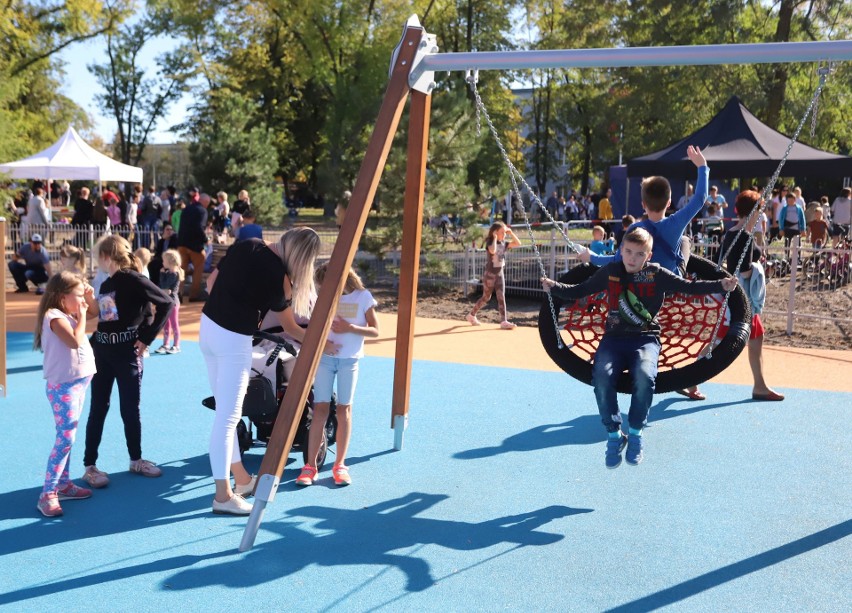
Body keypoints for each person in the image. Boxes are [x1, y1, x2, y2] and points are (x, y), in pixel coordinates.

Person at [542, 228, 737, 468]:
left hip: (645, 339)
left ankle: (635, 433)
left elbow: (689, 287)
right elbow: (581, 290)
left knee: (645, 377)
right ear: (621, 251)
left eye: (639, 254)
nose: (632, 258)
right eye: (628, 252)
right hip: (613, 339)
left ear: (649, 255)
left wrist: (721, 285)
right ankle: (614, 435)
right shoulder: (611, 272)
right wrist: (554, 287)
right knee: (601, 377)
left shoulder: (656, 274)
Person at [200, 228, 339, 515]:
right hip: (234, 339)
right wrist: (319, 341)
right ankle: (222, 496)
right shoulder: (281, 280)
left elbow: (212, 283)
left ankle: (240, 479)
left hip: (207, 329)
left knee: (225, 416)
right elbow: (291, 328)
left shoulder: (248, 244)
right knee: (228, 419)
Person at [81, 235, 174, 489]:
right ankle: (90, 465)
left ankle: (135, 459)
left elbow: (166, 303)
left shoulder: (134, 279)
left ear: (106, 256)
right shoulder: (106, 284)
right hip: (103, 353)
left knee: (130, 408)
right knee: (98, 407)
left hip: (126, 355)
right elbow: (106, 318)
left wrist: (146, 338)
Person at [297, 264, 379, 487]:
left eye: (327, 283)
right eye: (322, 285)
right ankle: (310, 466)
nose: (325, 288)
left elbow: (375, 330)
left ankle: (340, 465)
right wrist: (323, 344)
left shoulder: (363, 297)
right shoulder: (323, 298)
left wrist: (350, 328)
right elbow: (313, 328)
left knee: (344, 409)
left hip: (349, 361)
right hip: (324, 360)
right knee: (320, 409)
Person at [33, 271, 98, 517]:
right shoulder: (54, 317)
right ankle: (47, 493)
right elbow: (74, 341)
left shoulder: (69, 312)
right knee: (65, 438)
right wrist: (81, 315)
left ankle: (63, 483)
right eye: (79, 296)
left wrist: (88, 298)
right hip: (63, 387)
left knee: (68, 435)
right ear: (62, 298)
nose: (83, 302)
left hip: (79, 382)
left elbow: (93, 313)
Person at [716, 190, 783, 402]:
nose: (761, 214)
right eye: (760, 210)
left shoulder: (732, 233)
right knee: (721, 344)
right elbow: (744, 271)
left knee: (753, 338)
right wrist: (759, 269)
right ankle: (690, 381)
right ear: (754, 211)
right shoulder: (743, 236)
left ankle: (760, 385)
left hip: (737, 298)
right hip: (742, 299)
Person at [465, 221, 522, 330]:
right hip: (490, 275)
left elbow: (518, 243)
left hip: (500, 274)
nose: (504, 235)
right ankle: (471, 315)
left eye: (505, 233)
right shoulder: (491, 242)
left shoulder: (504, 243)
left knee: (501, 296)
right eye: (502, 232)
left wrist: (511, 233)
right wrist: (495, 238)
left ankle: (504, 321)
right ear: (495, 232)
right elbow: (493, 250)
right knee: (486, 297)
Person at [177, 187, 208, 302]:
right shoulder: (202, 211)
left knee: (181, 269)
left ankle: (178, 293)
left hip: (182, 243)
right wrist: (206, 239)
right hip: (195, 245)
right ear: (205, 202)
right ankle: (194, 296)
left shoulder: (186, 209)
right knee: (198, 269)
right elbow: (199, 228)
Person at [154, 249, 184, 355]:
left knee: (174, 324)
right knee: (166, 324)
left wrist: (162, 277)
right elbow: (162, 287)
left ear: (170, 262)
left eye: (164, 261)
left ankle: (176, 345)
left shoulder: (175, 274)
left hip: (173, 303)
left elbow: (166, 287)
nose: (162, 263)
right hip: (166, 302)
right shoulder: (166, 272)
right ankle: (166, 344)